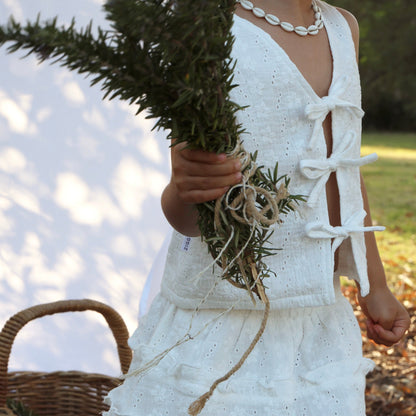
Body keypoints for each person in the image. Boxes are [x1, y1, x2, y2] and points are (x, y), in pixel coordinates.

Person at [104, 1, 410, 415]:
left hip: (316, 324)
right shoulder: (203, 24)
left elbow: (344, 169)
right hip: (217, 325)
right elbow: (187, 217)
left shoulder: (343, 29)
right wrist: (186, 187)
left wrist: (375, 285)